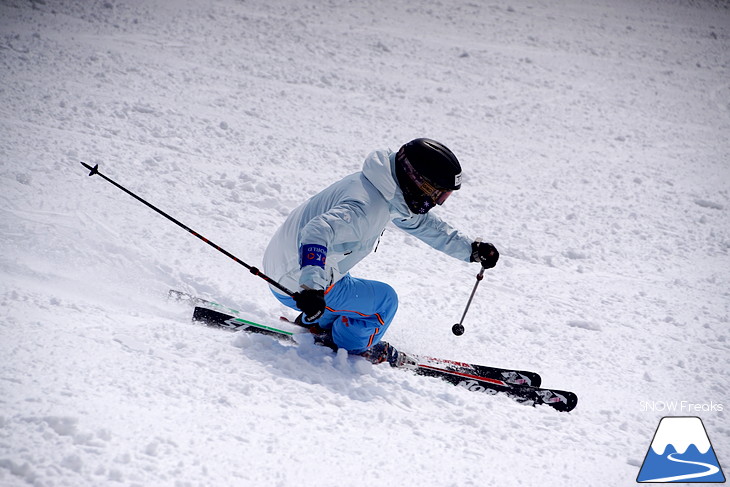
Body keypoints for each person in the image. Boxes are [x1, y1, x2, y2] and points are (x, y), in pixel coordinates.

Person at [262, 138, 499, 364]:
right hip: (297, 282)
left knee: (350, 285)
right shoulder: (367, 207)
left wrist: (471, 249)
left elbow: (419, 222)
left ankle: (320, 323)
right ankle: (350, 346)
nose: (437, 202)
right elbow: (317, 231)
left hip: (285, 266)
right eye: (438, 194)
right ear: (417, 181)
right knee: (384, 301)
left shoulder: (380, 188)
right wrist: (312, 288)